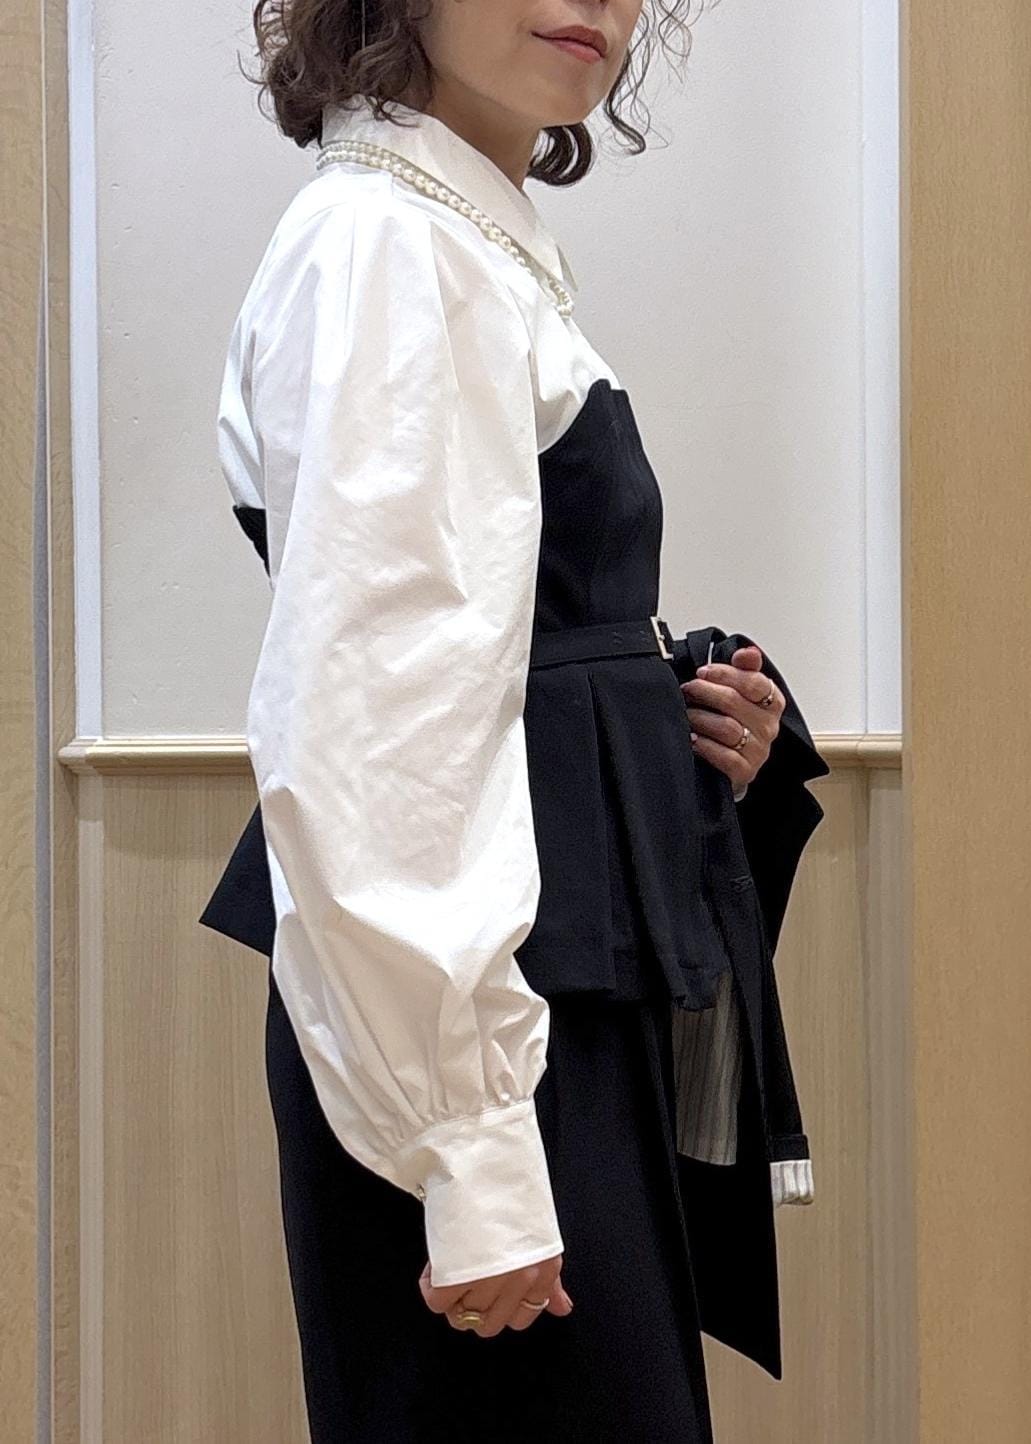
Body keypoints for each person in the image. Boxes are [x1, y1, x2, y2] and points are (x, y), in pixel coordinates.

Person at [207, 1, 817, 1438]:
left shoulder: (462, 236)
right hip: (481, 1019)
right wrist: (471, 1158)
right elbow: (369, 727)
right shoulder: (386, 246)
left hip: (530, 985)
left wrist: (657, 722)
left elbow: (487, 658)